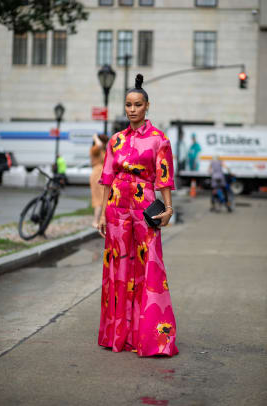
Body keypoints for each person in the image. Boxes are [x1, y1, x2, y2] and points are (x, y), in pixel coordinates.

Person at [97, 74, 179, 357]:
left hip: (145, 207)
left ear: (147, 106)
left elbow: (164, 178)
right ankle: (119, 334)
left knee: (149, 266)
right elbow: (106, 177)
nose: (132, 109)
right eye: (128, 104)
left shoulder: (159, 140)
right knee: (118, 268)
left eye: (138, 104)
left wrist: (168, 209)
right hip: (117, 207)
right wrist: (100, 213)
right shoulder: (115, 140)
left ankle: (151, 337)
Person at [90, 133, 108, 228]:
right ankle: (95, 221)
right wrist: (95, 137)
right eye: (104, 142)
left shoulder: (102, 150)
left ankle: (100, 219)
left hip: (102, 174)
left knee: (104, 197)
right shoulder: (95, 149)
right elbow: (99, 145)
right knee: (99, 197)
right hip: (97, 174)